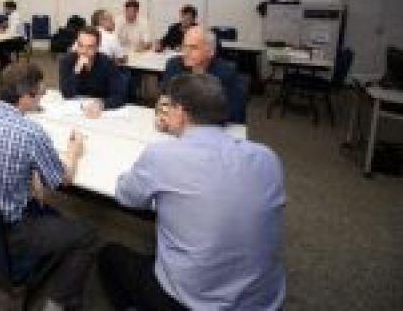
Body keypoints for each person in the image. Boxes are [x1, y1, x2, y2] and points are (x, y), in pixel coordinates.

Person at [99, 73, 285, 310]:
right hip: (265, 301)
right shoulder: (267, 157)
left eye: (168, 107)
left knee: (109, 255)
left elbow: (127, 196)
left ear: (180, 112)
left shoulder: (162, 155)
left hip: (191, 302)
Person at [0, 63, 97, 311]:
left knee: (40, 203)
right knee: (87, 235)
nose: (42, 97)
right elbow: (62, 180)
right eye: (40, 93)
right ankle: (58, 304)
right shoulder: (31, 133)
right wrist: (74, 151)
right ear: (25, 97)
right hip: (9, 229)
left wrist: (31, 170)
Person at [163, 27, 246, 123]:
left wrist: (188, 118)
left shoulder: (227, 73)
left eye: (193, 48)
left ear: (210, 51)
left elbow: (235, 113)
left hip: (209, 128)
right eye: (184, 46)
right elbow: (165, 98)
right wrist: (162, 114)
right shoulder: (174, 66)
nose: (186, 52)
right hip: (177, 126)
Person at [59, 27, 127, 118]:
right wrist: (76, 70)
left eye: (90, 47)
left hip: (101, 114)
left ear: (97, 47)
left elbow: (120, 96)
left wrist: (102, 104)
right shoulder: (67, 61)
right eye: (81, 46)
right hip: (76, 112)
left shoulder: (107, 63)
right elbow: (66, 94)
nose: (84, 51)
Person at [0, 0, 26, 69]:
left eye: (5, 8)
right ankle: (5, 64)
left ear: (10, 8)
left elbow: (12, 32)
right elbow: (9, 26)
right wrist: (3, 27)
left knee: (0, 46)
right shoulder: (13, 15)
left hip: (18, 40)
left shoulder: (15, 17)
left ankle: (6, 65)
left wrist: (3, 32)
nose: (4, 10)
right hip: (16, 38)